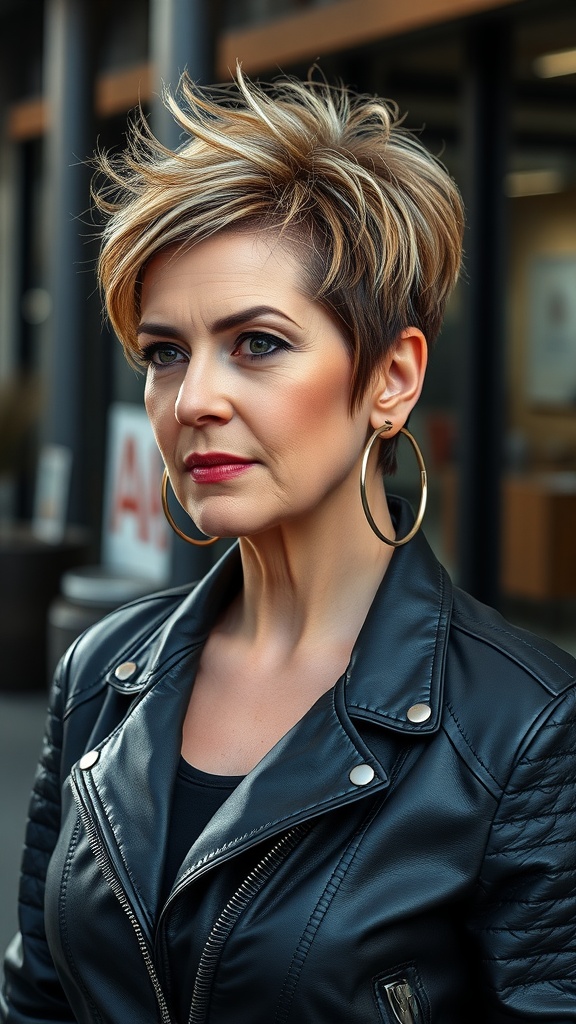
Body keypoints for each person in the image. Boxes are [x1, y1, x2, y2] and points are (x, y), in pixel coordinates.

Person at [2, 69, 576, 1024]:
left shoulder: (525, 728)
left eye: (258, 343)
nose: (193, 402)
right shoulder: (102, 673)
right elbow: (39, 1000)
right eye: (164, 352)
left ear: (392, 378)